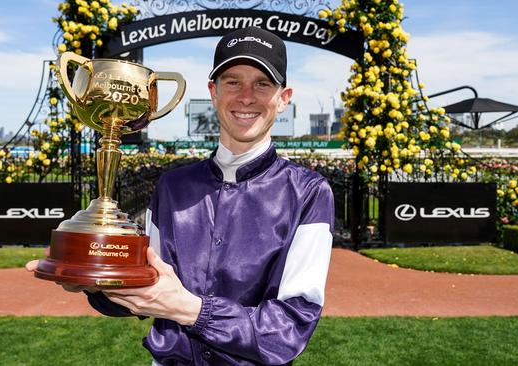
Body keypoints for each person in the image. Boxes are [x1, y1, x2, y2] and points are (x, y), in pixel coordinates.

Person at [28, 26, 334, 366]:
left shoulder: (308, 192)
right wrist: (93, 281)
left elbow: (289, 328)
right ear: (213, 92)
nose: (246, 95)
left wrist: (192, 311)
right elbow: (150, 288)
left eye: (262, 83)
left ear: (283, 97)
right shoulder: (172, 186)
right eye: (233, 81)